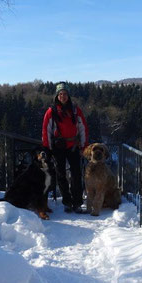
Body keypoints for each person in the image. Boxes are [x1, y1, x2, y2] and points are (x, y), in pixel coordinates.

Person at [42, 82, 89, 213]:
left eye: (65, 94)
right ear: (57, 96)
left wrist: (84, 146)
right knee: (61, 174)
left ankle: (77, 202)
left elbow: (82, 128)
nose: (63, 96)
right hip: (58, 147)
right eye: (60, 94)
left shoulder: (75, 110)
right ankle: (67, 202)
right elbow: (47, 131)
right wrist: (47, 148)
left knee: (76, 174)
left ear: (68, 95)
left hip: (73, 145)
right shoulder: (51, 112)